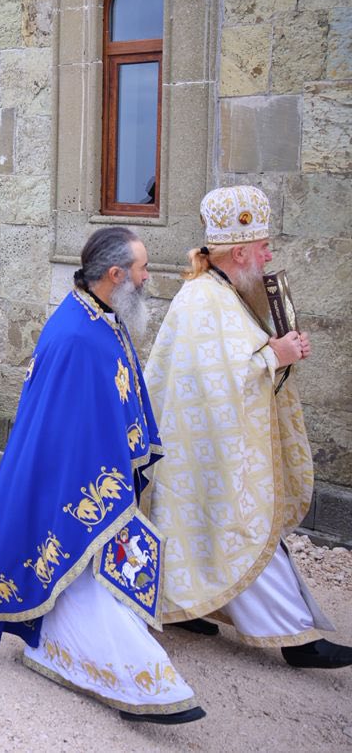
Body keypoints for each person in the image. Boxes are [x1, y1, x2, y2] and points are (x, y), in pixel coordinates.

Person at [0, 227, 204, 723]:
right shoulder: (76, 335)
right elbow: (66, 428)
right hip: (72, 479)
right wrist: (101, 471)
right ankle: (139, 681)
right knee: (82, 571)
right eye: (143, 269)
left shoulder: (101, 315)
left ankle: (64, 652)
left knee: (86, 578)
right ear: (115, 274)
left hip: (88, 471)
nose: (148, 278)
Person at [143, 186, 349, 668]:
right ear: (239, 253)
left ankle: (181, 606)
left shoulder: (222, 292)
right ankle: (297, 639)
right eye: (263, 246)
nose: (268, 254)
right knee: (242, 529)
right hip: (208, 447)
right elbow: (220, 379)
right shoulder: (204, 299)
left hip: (211, 445)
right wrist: (274, 356)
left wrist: (280, 354)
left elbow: (232, 366)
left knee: (207, 529)